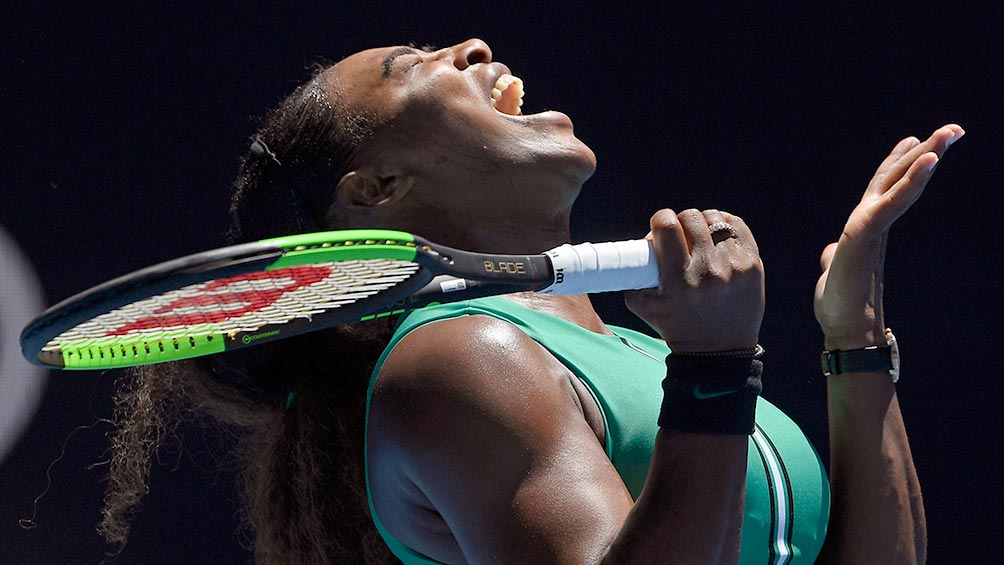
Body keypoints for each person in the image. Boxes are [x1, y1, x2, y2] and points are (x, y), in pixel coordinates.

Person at [100, 38, 962, 563]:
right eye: (416, 66)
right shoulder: (457, 358)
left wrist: (854, 333)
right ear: (379, 187)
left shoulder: (638, 354)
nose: (473, 45)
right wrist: (714, 366)